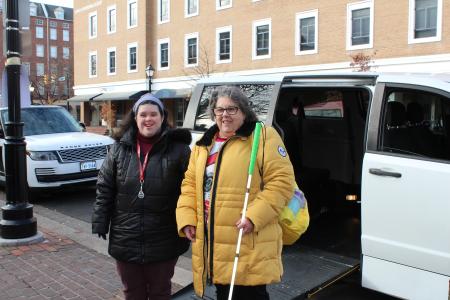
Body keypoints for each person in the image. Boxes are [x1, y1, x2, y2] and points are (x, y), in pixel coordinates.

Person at [176, 86, 296, 300]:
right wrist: (186, 218)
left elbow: (282, 182)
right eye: (219, 109)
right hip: (213, 239)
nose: (225, 115)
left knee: (250, 294)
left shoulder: (263, 137)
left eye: (232, 109)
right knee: (224, 293)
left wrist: (254, 216)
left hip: (246, 238)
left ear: (244, 111)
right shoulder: (204, 144)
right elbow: (189, 184)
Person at [92, 93, 191, 300]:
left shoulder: (180, 150)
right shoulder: (118, 149)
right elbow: (105, 187)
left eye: (153, 114)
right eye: (143, 114)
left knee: (160, 292)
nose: (148, 119)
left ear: (163, 117)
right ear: (135, 118)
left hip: (164, 236)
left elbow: (190, 191)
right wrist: (100, 219)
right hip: (126, 235)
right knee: (132, 292)